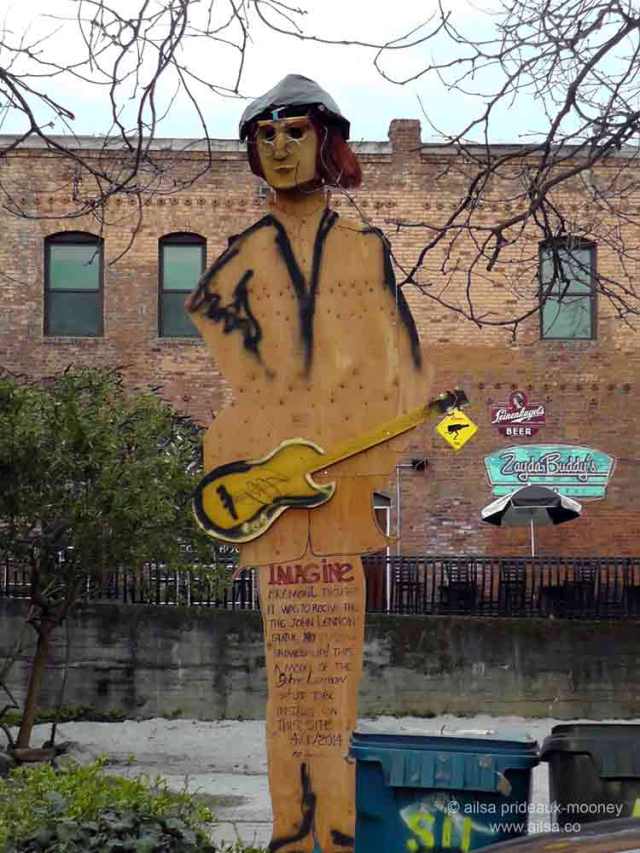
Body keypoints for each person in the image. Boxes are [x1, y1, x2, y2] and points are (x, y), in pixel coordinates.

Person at [187, 74, 428, 853]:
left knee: (330, 685)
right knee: (291, 680)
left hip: (341, 485)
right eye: (267, 134)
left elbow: (406, 362)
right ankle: (292, 829)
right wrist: (269, 410)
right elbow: (220, 335)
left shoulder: (364, 248)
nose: (282, 146)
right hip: (276, 485)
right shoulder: (242, 257)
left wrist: (404, 429)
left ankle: (334, 830)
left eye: (297, 131)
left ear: (326, 142)